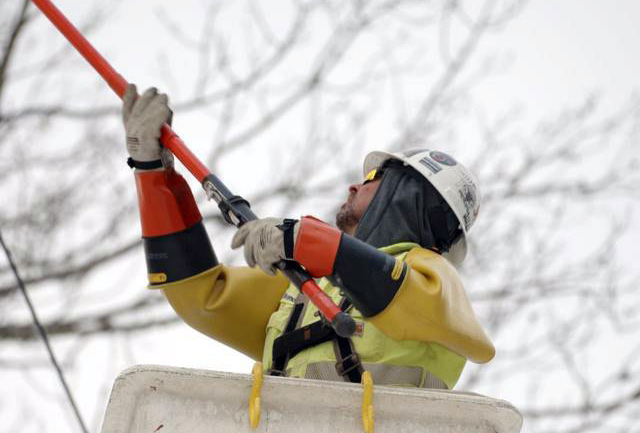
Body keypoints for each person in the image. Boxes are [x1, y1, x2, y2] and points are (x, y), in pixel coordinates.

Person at [122, 85, 495, 388]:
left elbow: (406, 297)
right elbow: (201, 294)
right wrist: (153, 174)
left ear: (405, 197)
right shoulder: (306, 288)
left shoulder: (431, 278)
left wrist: (304, 240)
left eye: (371, 180)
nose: (352, 186)